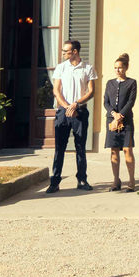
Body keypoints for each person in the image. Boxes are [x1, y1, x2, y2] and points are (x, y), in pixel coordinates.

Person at [48, 38, 95, 193]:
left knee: (80, 147)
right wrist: (67, 106)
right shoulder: (61, 68)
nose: (62, 53)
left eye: (65, 51)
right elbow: (56, 90)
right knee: (59, 148)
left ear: (74, 51)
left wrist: (76, 104)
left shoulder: (88, 68)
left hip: (80, 112)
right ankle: (55, 182)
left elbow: (91, 92)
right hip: (63, 111)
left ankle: (82, 180)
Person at [103, 53, 137, 192]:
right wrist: (114, 115)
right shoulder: (110, 83)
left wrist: (120, 115)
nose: (117, 70)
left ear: (126, 67)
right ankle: (116, 180)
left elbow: (131, 101)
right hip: (111, 121)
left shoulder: (131, 83)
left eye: (120, 68)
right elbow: (106, 102)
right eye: (115, 68)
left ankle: (131, 180)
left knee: (127, 150)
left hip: (126, 121)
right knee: (114, 151)